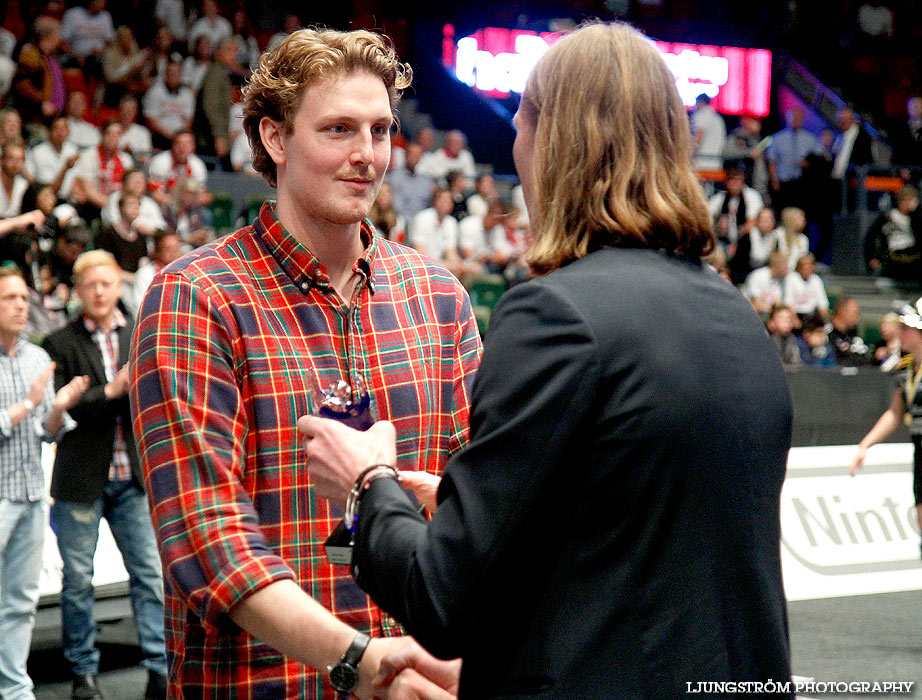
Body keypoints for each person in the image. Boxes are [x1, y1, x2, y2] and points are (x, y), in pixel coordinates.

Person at [300, 21, 794, 700]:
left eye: (522, 122)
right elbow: (632, 543)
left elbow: (443, 604)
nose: (515, 143)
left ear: (552, 140)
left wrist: (368, 484)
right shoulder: (735, 316)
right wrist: (458, 502)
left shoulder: (555, 317)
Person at [130, 28, 482, 699]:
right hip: (266, 685)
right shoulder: (197, 297)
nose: (367, 156)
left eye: (379, 130)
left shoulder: (439, 300)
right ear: (274, 138)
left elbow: (483, 502)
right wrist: (362, 661)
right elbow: (208, 537)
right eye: (339, 130)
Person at [43, 251, 167, 700]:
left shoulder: (143, 332)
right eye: (90, 285)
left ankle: (159, 669)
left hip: (134, 476)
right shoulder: (59, 343)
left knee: (150, 575)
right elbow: (59, 410)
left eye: (106, 284)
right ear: (77, 292)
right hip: (80, 478)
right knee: (77, 582)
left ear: (119, 286)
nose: (99, 292)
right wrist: (110, 391)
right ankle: (83, 675)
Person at [0, 265, 88, 700]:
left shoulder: (37, 358)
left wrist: (58, 407)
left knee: (20, 603)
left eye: (23, 298)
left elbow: (48, 432)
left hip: (33, 495)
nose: (21, 306)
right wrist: (27, 405)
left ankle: (15, 690)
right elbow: (18, 418)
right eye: (10, 299)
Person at [851, 297, 922, 558]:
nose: (899, 333)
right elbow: (895, 412)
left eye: (906, 329)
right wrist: (865, 444)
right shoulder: (905, 368)